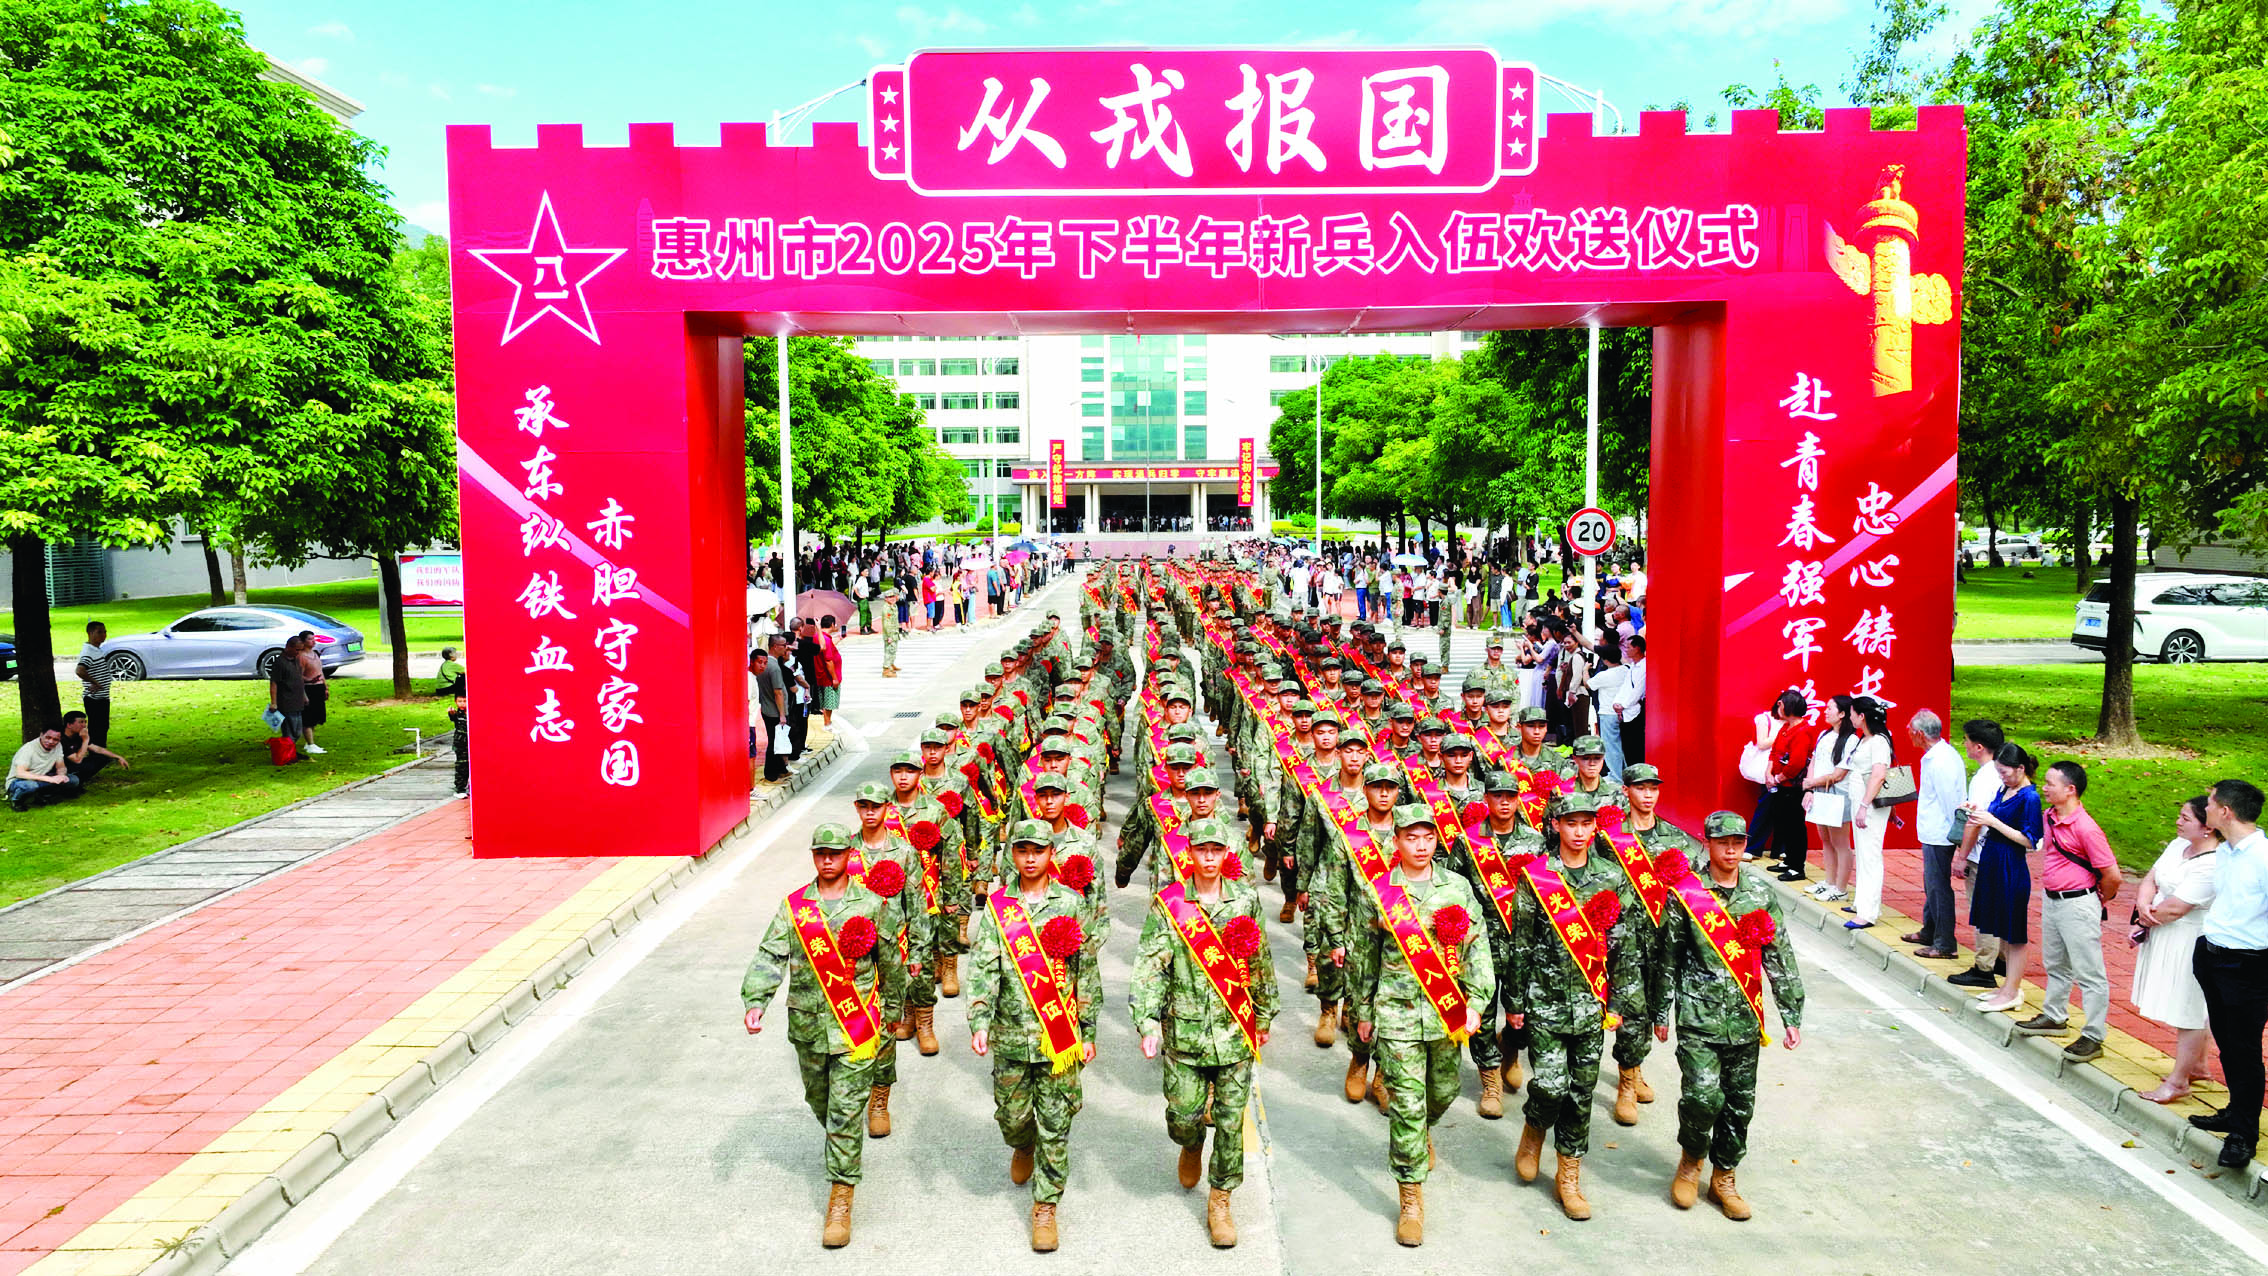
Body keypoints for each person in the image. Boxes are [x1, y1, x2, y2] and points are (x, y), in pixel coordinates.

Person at [740, 823, 908, 1248]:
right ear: (814, 856)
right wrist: (756, 1000)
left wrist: (892, 1012)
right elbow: (770, 954)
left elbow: (890, 962)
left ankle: (841, 1197)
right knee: (821, 1103)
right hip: (809, 1028)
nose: (828, 860)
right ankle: (841, 1152)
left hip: (857, 1031)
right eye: (821, 853)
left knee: (845, 1115)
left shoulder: (871, 904)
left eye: (835, 853)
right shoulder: (796, 907)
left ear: (849, 854)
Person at [1129, 816, 1277, 1248]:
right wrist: (1148, 1022)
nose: (1209, 858)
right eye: (1201, 850)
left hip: (1234, 1032)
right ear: (1189, 854)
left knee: (1231, 1123)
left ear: (1226, 854)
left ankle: (1221, 1201)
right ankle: (1191, 1145)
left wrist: (1264, 1015)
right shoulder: (1170, 904)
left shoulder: (1244, 900)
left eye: (1216, 850)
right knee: (1183, 1117)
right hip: (1186, 1033)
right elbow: (1150, 966)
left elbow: (1260, 960)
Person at [1350, 804, 1493, 1247]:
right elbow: (1363, 956)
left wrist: (1476, 1002)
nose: (1421, 845)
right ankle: (1411, 1198)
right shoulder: (1380, 891)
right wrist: (1363, 1012)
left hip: (1446, 1014)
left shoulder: (1457, 887)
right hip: (1397, 1015)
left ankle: (1421, 1132)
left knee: (1444, 1092)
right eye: (1411, 837)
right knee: (1407, 1107)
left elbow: (1477, 946)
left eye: (1428, 837)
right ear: (1396, 841)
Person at [1652, 812, 1805, 1220]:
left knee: (1739, 1105)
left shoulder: (1759, 893)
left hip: (1744, 1021)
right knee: (1702, 1098)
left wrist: (1791, 1014)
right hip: (1697, 1018)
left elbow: (1779, 954)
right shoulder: (1687, 893)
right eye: (1724, 843)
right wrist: (1660, 1010)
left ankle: (1724, 1177)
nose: (1732, 850)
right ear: (1709, 843)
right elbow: (1668, 955)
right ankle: (1691, 1160)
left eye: (1738, 842)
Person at [1506, 791, 1643, 1221]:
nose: (1580, 832)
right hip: (1545, 1003)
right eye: (1571, 823)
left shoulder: (1611, 877)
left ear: (1595, 827)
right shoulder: (1537, 877)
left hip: (1591, 1006)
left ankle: (1568, 1175)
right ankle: (1534, 1127)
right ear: (1556, 826)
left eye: (1587, 823)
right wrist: (1514, 1001)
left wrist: (1619, 1002)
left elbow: (1624, 947)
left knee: (1581, 1094)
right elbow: (1521, 942)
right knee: (1550, 1086)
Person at [968, 820, 1099, 1252]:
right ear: (1013, 855)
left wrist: (1088, 1029)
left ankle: (1046, 1206)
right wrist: (979, 1020)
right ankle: (1022, 1145)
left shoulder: (1071, 903)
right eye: (1022, 850)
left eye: (1037, 850)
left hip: (1059, 1038)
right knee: (1012, 1117)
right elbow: (983, 966)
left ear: (1050, 854)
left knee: (1056, 1124)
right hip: (1010, 1033)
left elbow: (1085, 972)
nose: (1029, 858)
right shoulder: (999, 907)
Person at [2012, 760, 2121, 1060]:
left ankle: (2093, 1035)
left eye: (2051, 784)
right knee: (2055, 963)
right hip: (2052, 900)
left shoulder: (2086, 828)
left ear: (2070, 789)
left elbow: (2112, 875)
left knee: (2089, 972)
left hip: (2078, 903)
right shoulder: (2050, 816)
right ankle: (2054, 1015)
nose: (2044, 788)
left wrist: (2100, 898)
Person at [2193, 779, 2268, 1167]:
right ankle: (2235, 1111)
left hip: (2248, 966)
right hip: (2212, 956)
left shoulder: (2263, 857)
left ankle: (2243, 1134)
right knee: (2227, 1043)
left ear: (2226, 811)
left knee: (2245, 1049)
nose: (2204, 808)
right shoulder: (2226, 851)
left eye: (2209, 803)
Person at [2130, 795, 2221, 1103]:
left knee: (2188, 1008)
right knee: (2188, 1004)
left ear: (2207, 828)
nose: (2178, 822)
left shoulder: (2212, 863)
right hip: (2163, 929)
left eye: (2186, 818)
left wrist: (2145, 918)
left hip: (2189, 938)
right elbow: (2150, 879)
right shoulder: (2176, 845)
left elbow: (2178, 908)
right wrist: (2143, 905)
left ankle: (2179, 1080)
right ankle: (2197, 1065)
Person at [1962, 744, 2043, 1015]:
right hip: (1993, 860)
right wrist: (1977, 812)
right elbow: (1995, 815)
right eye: (1999, 772)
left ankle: (2012, 989)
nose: (2002, 777)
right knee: (1999, 927)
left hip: (2010, 864)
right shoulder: (2004, 789)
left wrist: (1993, 822)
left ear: (2020, 769)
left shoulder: (2030, 797)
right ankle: (2007, 986)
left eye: (2005, 772)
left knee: (2013, 932)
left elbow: (2030, 840)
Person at [1948, 719, 2011, 989]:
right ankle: (2002, 958)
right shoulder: (2003, 774)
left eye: (1966, 740)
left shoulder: (1985, 778)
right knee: (1999, 909)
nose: (1964, 744)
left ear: (1979, 746)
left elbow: (1974, 821)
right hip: (2001, 852)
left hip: (1982, 854)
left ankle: (1984, 967)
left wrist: (1962, 855)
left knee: (1984, 912)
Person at [1906, 710, 1966, 958]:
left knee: (1938, 886)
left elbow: (1950, 800)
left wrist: (1958, 836)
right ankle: (1929, 930)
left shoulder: (1941, 761)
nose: (1909, 734)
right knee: (1931, 884)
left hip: (1941, 833)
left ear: (1920, 734)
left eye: (1911, 730)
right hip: (1933, 830)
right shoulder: (1935, 756)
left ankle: (1944, 943)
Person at [1838, 698, 1892, 930]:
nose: (1850, 717)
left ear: (1862, 716)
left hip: (1869, 806)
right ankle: (1861, 902)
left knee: (1870, 855)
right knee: (1862, 852)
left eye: (1852, 713)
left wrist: (1864, 805)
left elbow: (1879, 775)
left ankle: (1868, 912)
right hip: (1860, 802)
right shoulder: (1865, 739)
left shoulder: (1879, 741)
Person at [1799, 695, 1856, 902]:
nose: (1825, 711)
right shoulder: (1824, 734)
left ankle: (1841, 888)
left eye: (1830, 708)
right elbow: (1814, 761)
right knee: (1826, 840)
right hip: (1820, 791)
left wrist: (1811, 783)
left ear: (1842, 714)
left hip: (1837, 794)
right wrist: (1810, 787)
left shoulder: (1851, 740)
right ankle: (1829, 882)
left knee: (1840, 843)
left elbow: (1839, 774)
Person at [9, 722, 78, 811]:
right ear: (41, 735)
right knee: (30, 786)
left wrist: (61, 776)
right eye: (48, 737)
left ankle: (41, 795)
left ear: (60, 739)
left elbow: (61, 767)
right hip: (20, 781)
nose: (51, 742)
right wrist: (50, 779)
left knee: (73, 780)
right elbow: (20, 773)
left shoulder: (58, 746)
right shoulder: (28, 749)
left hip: (41, 778)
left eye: (55, 739)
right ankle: (16, 800)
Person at [59, 710, 127, 790]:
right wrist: (85, 740)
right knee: (87, 766)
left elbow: (97, 749)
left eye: (85, 722)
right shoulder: (61, 739)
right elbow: (77, 760)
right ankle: (72, 783)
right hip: (61, 767)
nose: (84, 725)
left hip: (73, 763)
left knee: (102, 758)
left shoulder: (78, 735)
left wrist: (118, 757)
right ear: (69, 725)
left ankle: (79, 781)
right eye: (81, 722)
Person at [268, 634, 309, 762]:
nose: (298, 652)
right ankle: (288, 755)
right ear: (288, 647)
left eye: (300, 650)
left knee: (297, 731)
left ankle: (291, 752)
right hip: (286, 702)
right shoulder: (280, 662)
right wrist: (274, 703)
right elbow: (274, 683)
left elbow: (299, 679)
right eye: (297, 649)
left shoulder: (295, 660)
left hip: (297, 701)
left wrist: (304, 695)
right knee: (289, 731)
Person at [752, 645, 789, 782]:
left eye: (764, 662)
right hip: (773, 711)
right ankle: (771, 773)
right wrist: (782, 714)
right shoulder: (774, 668)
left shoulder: (768, 667)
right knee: (774, 742)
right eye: (783, 645)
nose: (786, 648)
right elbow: (778, 692)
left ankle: (781, 769)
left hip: (766, 709)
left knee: (775, 741)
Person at [74, 621, 113, 746]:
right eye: (99, 632)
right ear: (90, 633)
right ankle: (96, 753)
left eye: (105, 632)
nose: (103, 635)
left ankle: (100, 752)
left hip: (102, 697)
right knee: (97, 729)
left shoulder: (96, 650)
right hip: (94, 698)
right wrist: (95, 682)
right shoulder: (89, 652)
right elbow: (80, 670)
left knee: (102, 727)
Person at [295, 631, 330, 756]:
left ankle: (309, 741)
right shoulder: (301, 657)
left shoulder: (315, 654)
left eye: (314, 639)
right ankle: (310, 744)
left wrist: (325, 687)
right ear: (303, 641)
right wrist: (309, 680)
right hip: (309, 688)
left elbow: (320, 671)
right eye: (310, 639)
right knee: (308, 717)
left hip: (318, 687)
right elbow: (298, 675)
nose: (313, 641)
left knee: (316, 716)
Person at [811, 617, 843, 729]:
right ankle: (827, 723)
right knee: (829, 702)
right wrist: (834, 678)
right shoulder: (826, 640)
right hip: (828, 676)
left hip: (820, 675)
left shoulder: (818, 637)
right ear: (832, 624)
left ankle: (827, 722)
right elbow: (828, 660)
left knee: (824, 701)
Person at [446, 688, 469, 796]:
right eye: (460, 701)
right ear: (456, 701)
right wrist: (450, 712)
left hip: (471, 743)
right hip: (461, 745)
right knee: (462, 766)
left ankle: (470, 786)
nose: (462, 704)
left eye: (465, 701)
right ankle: (460, 789)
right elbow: (453, 717)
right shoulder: (457, 714)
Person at [877, 584, 903, 677]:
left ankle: (891, 664)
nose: (892, 599)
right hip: (890, 634)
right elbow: (887, 624)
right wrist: (889, 636)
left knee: (893, 649)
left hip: (894, 632)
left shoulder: (893, 606)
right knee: (889, 651)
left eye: (893, 596)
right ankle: (886, 669)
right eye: (890, 597)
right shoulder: (887, 609)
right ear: (886, 599)